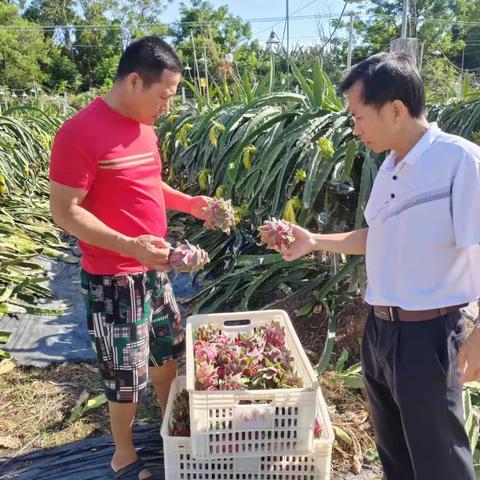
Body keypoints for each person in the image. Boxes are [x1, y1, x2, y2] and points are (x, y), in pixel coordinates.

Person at [279, 52, 480, 480]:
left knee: (440, 464)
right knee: (396, 459)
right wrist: (314, 241)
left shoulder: (460, 162)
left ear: (395, 109)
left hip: (429, 336)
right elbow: (378, 237)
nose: (354, 128)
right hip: (382, 333)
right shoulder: (389, 166)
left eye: (359, 115)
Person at [49, 36, 211, 480]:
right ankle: (123, 455)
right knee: (124, 378)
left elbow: (149, 185)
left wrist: (190, 204)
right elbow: (65, 211)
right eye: (163, 96)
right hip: (113, 280)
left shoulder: (145, 128)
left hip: (154, 273)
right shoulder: (80, 132)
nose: (166, 106)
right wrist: (131, 247)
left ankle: (169, 430)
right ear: (134, 81)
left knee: (167, 356)